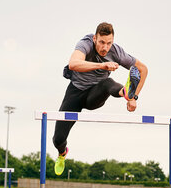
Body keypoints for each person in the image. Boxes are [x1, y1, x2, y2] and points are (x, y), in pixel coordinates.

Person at [52, 22, 148, 175]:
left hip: (95, 95)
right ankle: (62, 153)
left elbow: (143, 69)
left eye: (109, 43)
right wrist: (102, 66)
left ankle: (126, 92)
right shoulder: (85, 44)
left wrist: (134, 97)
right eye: (102, 42)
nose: (105, 48)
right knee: (58, 139)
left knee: (107, 83)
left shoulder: (116, 52)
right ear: (95, 38)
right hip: (75, 93)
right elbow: (73, 64)